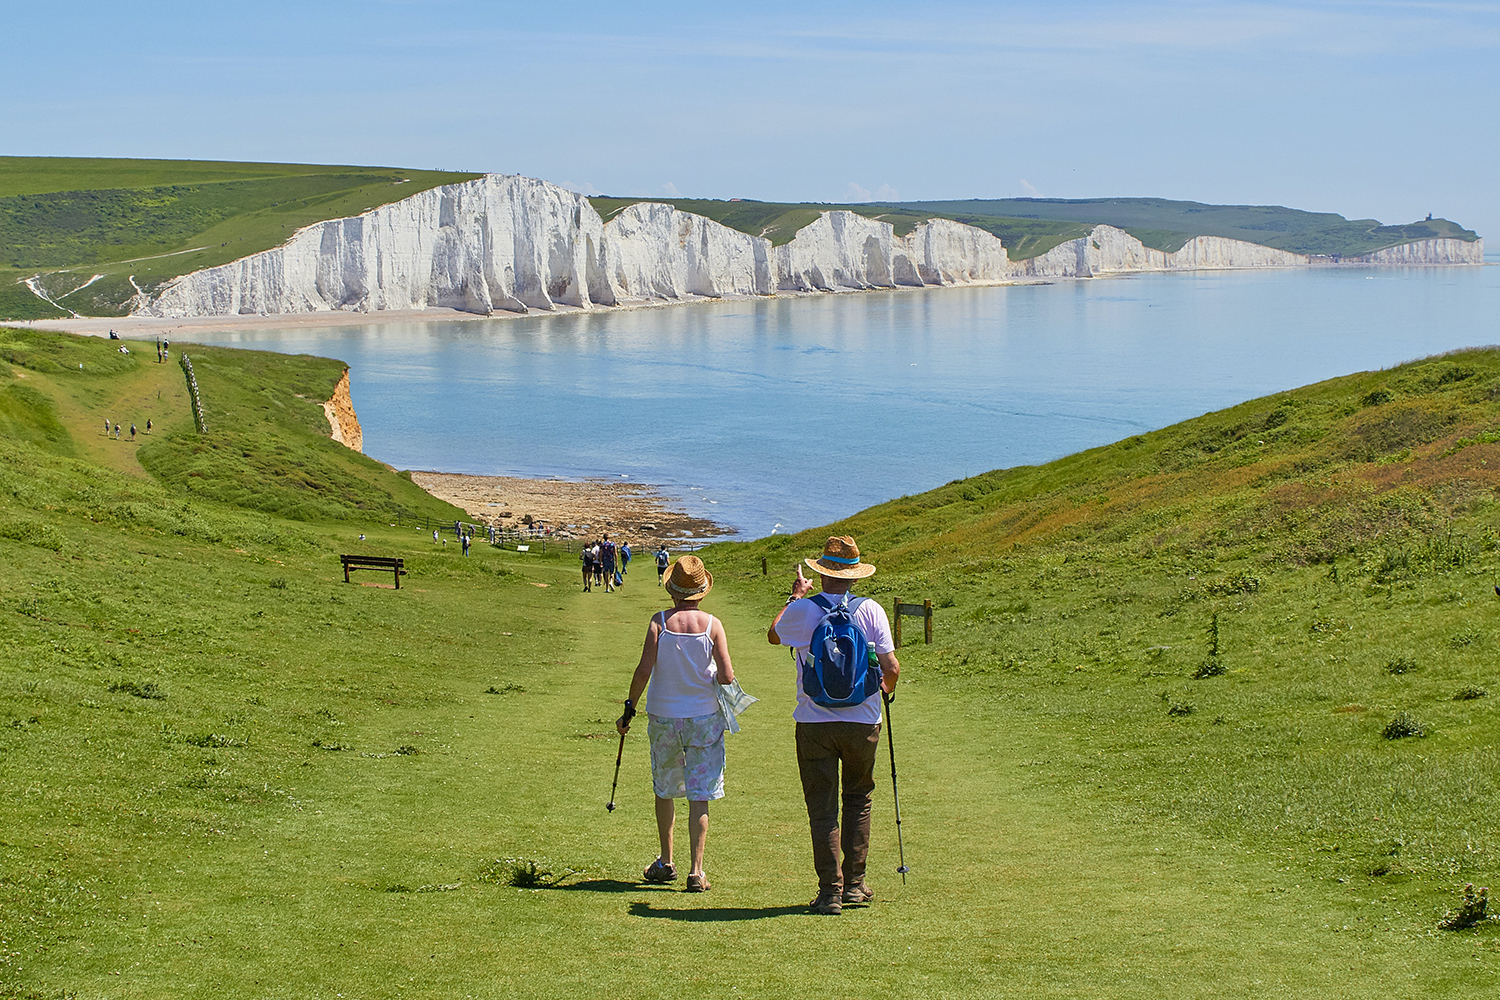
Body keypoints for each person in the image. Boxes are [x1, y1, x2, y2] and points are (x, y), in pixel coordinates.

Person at [767, 535, 899, 915]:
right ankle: (855, 884)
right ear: (855, 577)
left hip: (814, 721)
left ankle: (830, 892)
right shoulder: (871, 610)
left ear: (820, 575)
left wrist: (794, 596)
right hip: (863, 721)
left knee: (822, 809)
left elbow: (774, 635)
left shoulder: (805, 610)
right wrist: (880, 695)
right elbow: (891, 669)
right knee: (859, 800)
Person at [617, 555, 734, 893]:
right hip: (704, 717)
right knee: (701, 793)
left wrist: (629, 708)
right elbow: (726, 676)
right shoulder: (713, 625)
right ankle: (697, 871)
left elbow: (643, 670)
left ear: (672, 590)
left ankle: (667, 861)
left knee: (665, 788)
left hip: (664, 716)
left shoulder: (659, 622)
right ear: (702, 592)